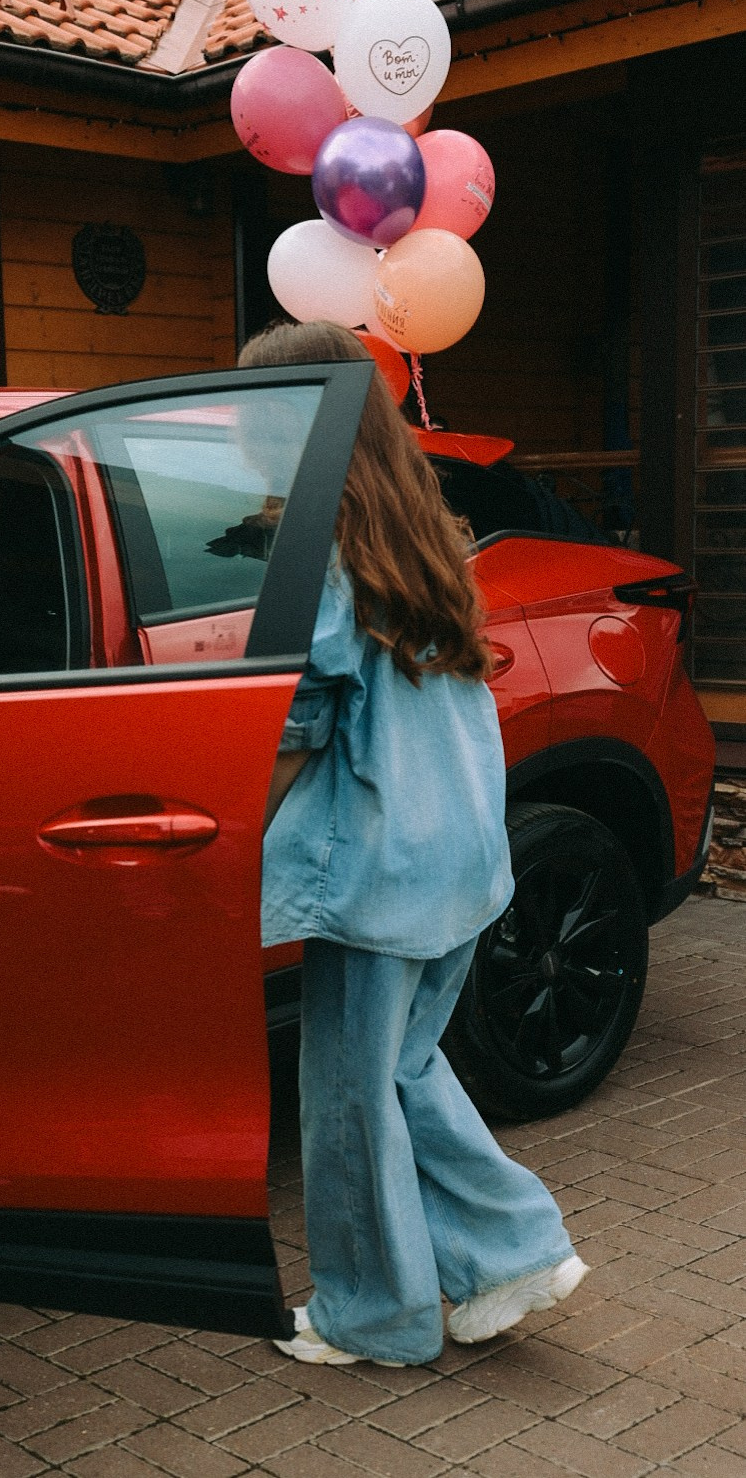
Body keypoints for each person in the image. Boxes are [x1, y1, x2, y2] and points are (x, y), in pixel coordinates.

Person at [238, 320, 588, 1367]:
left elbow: (296, 727)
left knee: (348, 1095)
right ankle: (512, 1251)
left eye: (264, 409)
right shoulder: (423, 531)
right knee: (403, 1067)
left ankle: (370, 1314)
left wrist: (231, 833)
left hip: (371, 871)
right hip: (456, 856)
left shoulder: (316, 548)